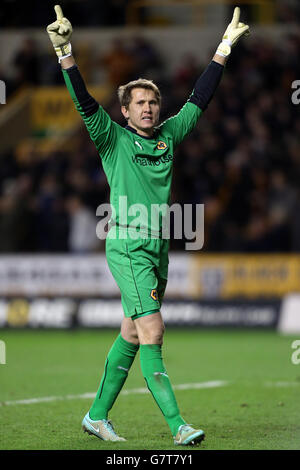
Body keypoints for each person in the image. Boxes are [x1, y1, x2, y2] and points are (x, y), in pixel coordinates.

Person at [47, 5, 249, 445]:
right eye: (140, 102)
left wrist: (224, 47)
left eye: (154, 101)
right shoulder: (110, 137)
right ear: (124, 110)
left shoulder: (170, 136)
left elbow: (200, 98)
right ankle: (179, 426)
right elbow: (83, 102)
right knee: (153, 328)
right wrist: (65, 52)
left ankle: (96, 416)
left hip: (157, 247)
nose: (149, 108)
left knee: (131, 331)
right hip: (127, 244)